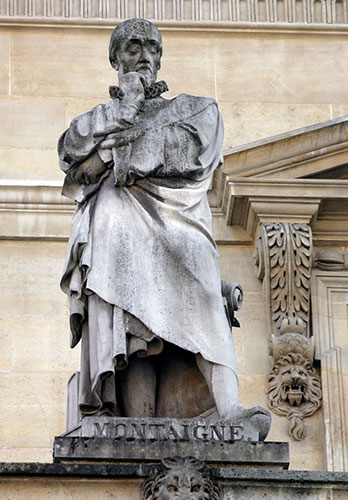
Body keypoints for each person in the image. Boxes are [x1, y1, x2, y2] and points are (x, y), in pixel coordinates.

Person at [59, 18, 257, 421]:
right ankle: (138, 422)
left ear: (161, 58)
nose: (144, 56)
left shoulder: (193, 108)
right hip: (118, 228)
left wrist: (111, 156)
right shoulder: (98, 119)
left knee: (203, 298)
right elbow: (70, 152)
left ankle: (229, 406)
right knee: (132, 325)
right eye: (133, 47)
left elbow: (190, 149)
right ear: (115, 57)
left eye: (152, 48)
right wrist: (124, 112)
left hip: (179, 221)